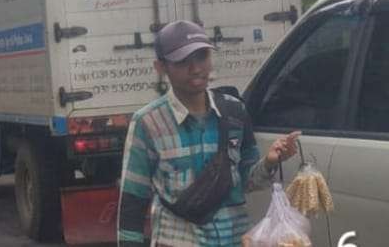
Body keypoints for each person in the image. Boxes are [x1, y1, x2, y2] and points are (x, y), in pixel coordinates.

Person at [117, 20, 301, 246]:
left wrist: (271, 162)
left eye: (202, 56)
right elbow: (133, 203)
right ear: (161, 67)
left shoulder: (235, 112)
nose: (196, 68)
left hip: (234, 239)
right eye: (183, 61)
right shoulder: (147, 123)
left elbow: (245, 181)